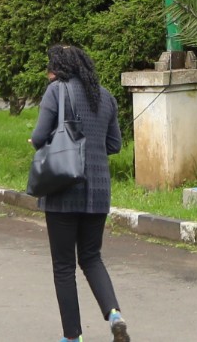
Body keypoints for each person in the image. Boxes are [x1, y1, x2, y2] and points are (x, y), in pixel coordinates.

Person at [33, 44, 131, 342]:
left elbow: (39, 137)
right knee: (91, 258)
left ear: (59, 67)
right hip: (98, 192)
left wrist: (41, 139)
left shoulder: (56, 92)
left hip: (63, 189)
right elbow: (114, 145)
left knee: (64, 266)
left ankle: (72, 337)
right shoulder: (105, 96)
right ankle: (114, 313)